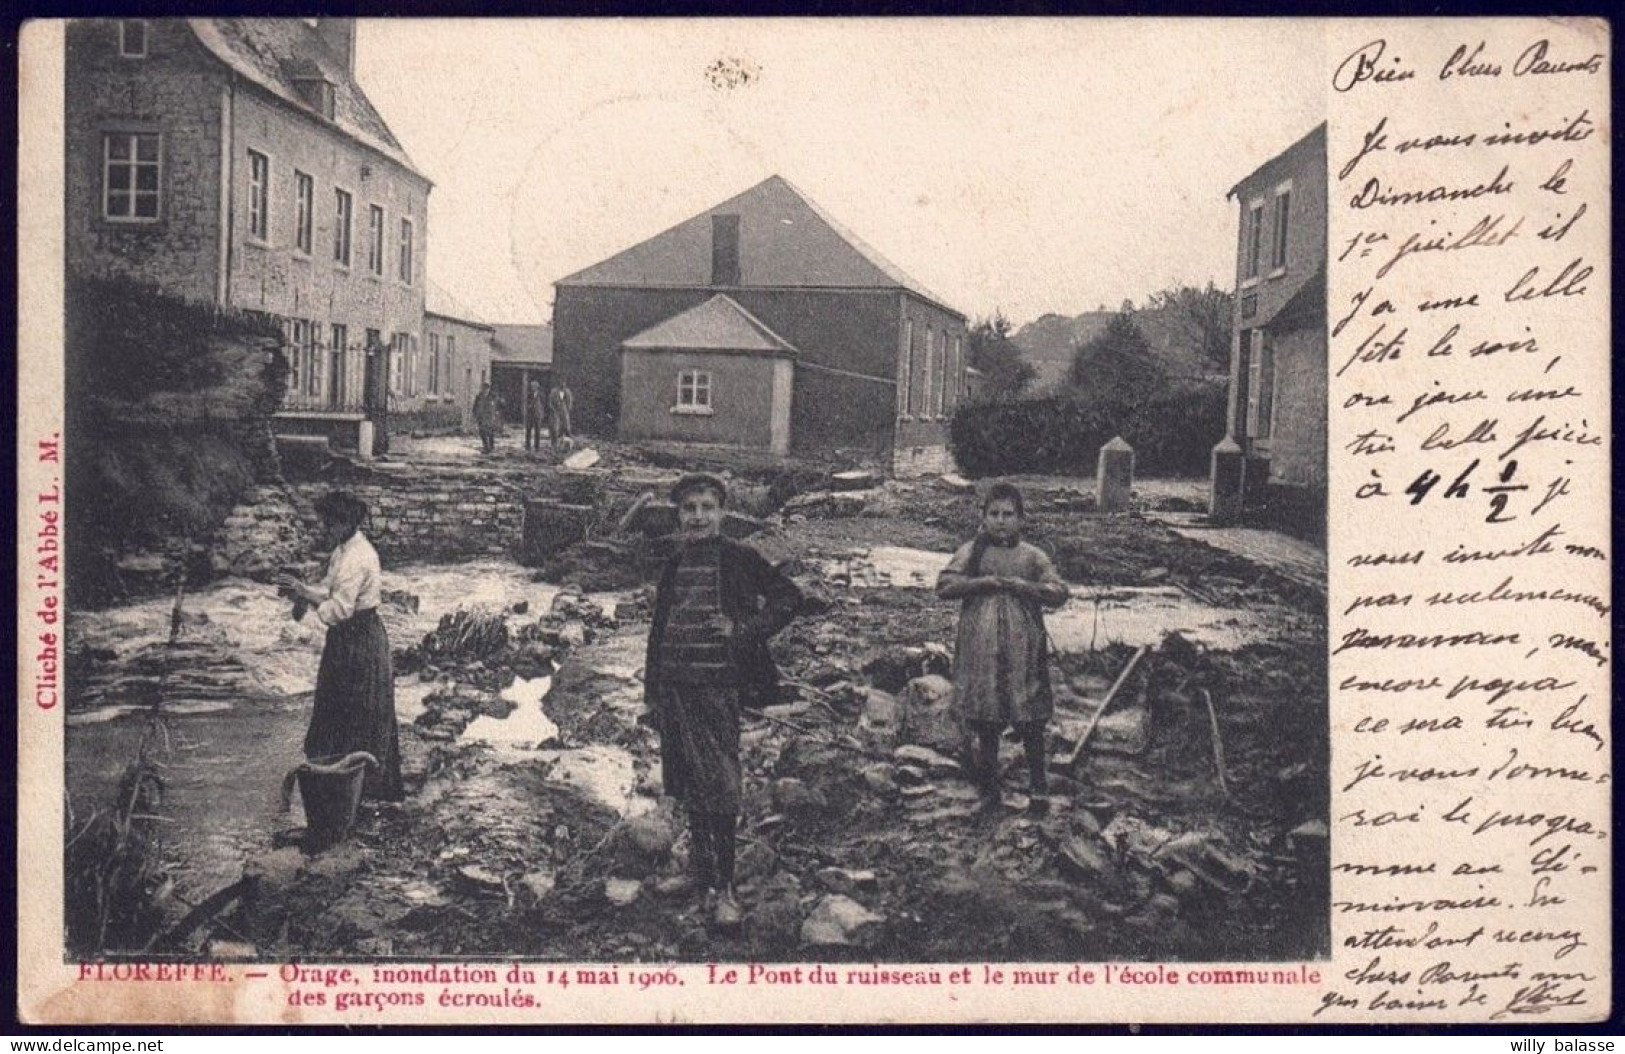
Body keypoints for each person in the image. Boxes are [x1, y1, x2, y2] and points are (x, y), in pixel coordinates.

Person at [642, 473, 801, 926]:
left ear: (722, 513)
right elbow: (658, 631)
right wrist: (652, 694)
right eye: (689, 509)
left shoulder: (739, 558)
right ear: (679, 515)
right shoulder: (674, 564)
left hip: (718, 688)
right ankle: (699, 871)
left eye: (706, 508)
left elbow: (789, 599)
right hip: (676, 687)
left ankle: (726, 885)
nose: (698, 517)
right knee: (689, 780)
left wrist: (743, 630)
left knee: (722, 784)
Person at [936, 482, 1069, 814]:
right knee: (987, 717)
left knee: (1030, 717)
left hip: (1024, 649)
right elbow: (945, 585)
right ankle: (989, 791)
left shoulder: (1032, 555)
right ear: (983, 517)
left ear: (1021, 519)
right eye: (993, 514)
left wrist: (1026, 587)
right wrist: (984, 583)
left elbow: (1058, 591)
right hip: (981, 648)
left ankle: (1038, 790)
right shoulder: (972, 552)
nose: (1000, 521)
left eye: (1008, 514)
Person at [275, 491, 404, 803]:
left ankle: (363, 788)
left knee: (358, 711)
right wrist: (305, 591)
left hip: (359, 640)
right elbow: (333, 595)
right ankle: (342, 784)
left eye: (331, 524)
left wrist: (308, 602)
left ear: (347, 523)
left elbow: (340, 610)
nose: (326, 530)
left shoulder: (358, 558)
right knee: (339, 710)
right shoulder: (343, 550)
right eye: (325, 524)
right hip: (349, 639)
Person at [472, 380, 499, 454]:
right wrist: (474, 414)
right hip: (481, 417)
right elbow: (475, 406)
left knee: (490, 432)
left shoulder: (493, 396)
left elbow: (497, 406)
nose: (485, 390)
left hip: (490, 417)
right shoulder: (479, 396)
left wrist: (496, 415)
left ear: (489, 389)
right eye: (483, 388)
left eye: (486, 388)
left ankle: (491, 446)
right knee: (482, 432)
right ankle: (485, 446)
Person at [548, 381, 574, 453]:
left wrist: (567, 409)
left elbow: (570, 401)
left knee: (566, 427)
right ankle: (554, 444)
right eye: (561, 384)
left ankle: (567, 445)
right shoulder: (554, 391)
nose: (562, 385)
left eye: (564, 384)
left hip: (564, 411)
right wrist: (554, 410)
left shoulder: (568, 392)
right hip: (556, 411)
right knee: (555, 428)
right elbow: (550, 402)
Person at [524, 381, 547, 453]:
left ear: (537, 387)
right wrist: (529, 407)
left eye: (534, 386)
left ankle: (537, 446)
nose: (532, 388)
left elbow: (544, 404)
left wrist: (541, 412)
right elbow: (527, 403)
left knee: (537, 431)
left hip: (538, 415)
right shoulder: (529, 395)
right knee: (528, 430)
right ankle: (528, 445)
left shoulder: (541, 395)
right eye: (531, 386)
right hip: (530, 415)